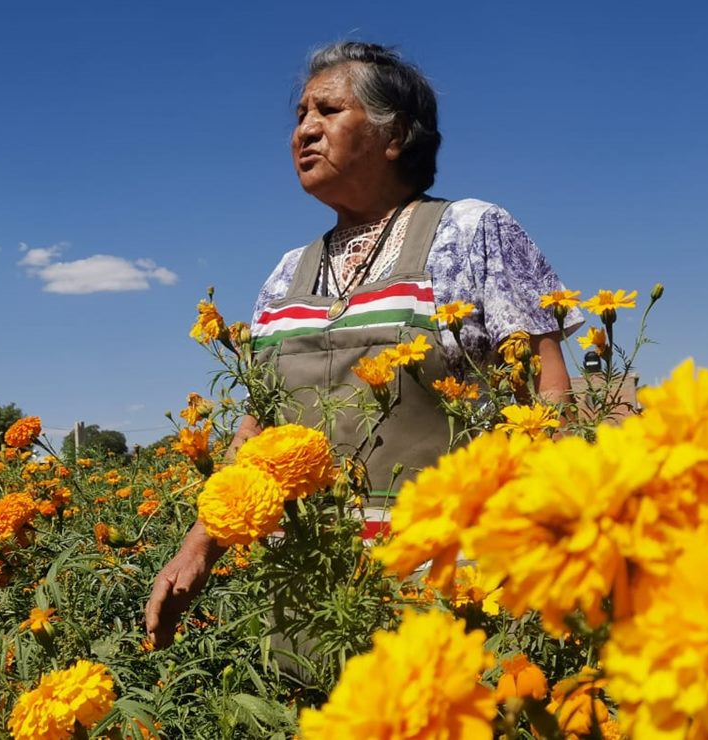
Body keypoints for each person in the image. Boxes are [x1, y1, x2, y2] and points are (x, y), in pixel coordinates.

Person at [146, 41, 582, 648]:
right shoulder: (286, 273)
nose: (304, 130)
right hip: (311, 604)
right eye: (300, 115)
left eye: (328, 110)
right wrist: (199, 547)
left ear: (394, 135)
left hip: (453, 595)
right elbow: (258, 431)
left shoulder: (473, 231)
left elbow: (548, 396)